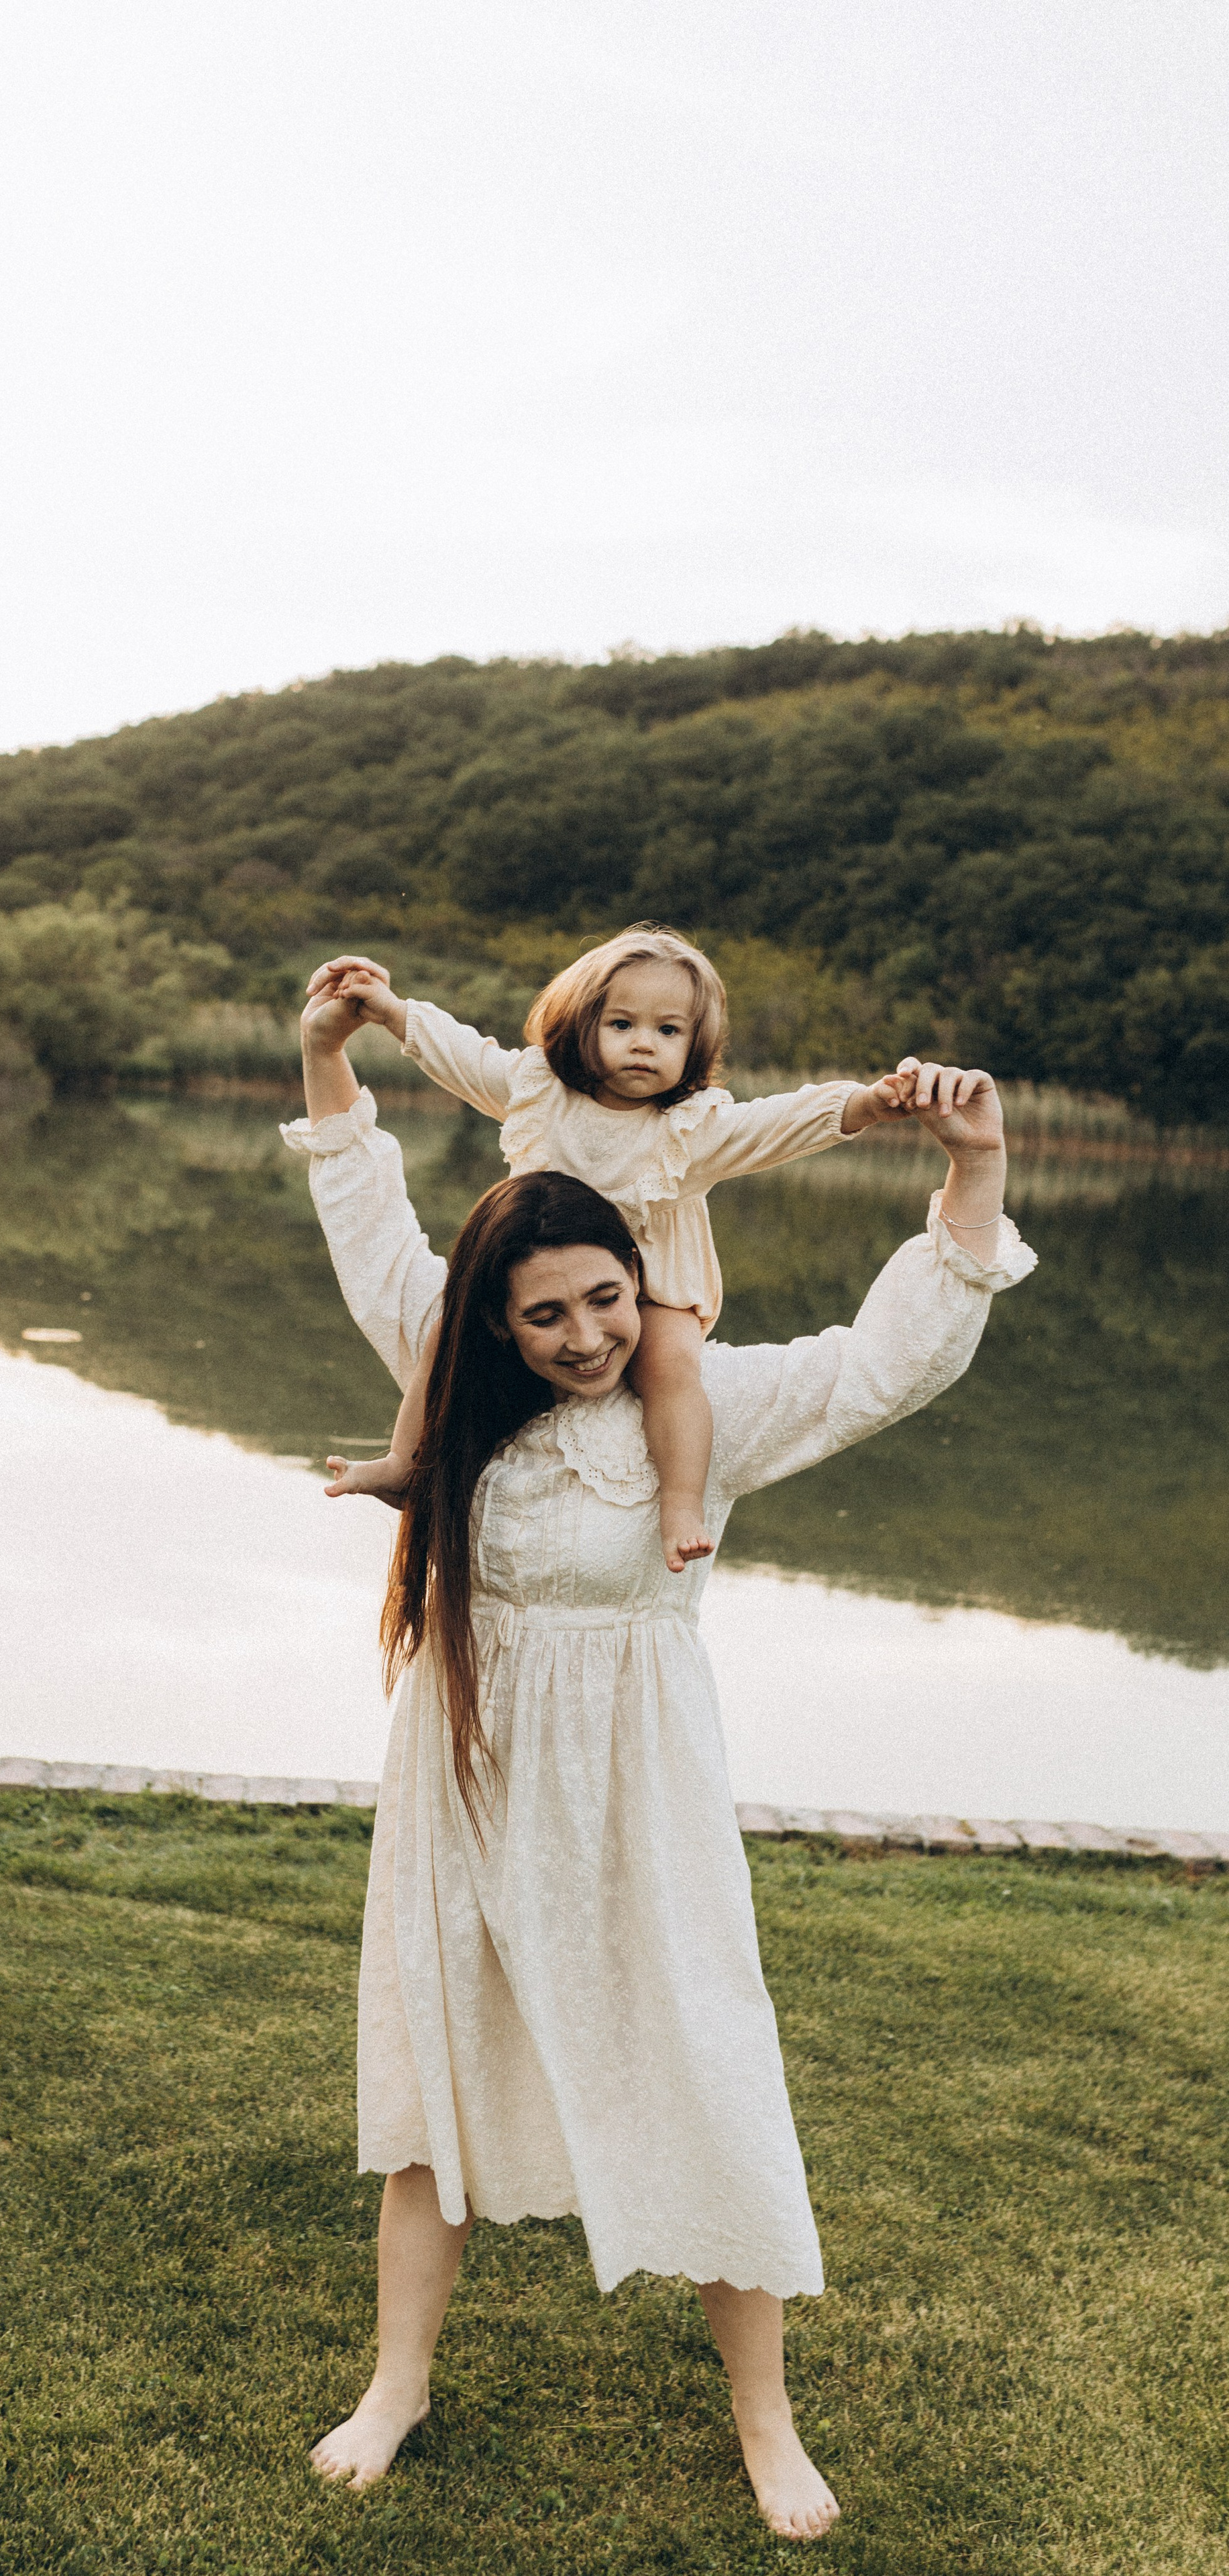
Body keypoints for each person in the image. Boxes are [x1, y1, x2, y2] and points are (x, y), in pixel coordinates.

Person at [282, 973, 1034, 2541]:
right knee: (436, 2077)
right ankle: (393, 2384)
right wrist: (320, 1059)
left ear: (644, 1279)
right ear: (493, 1318)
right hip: (469, 1777)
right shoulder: (445, 1377)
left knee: (700, 2060)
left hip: (642, 1789)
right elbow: (364, 1221)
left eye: (606, 1299)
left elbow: (883, 1361)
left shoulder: (706, 1405)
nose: (583, 1336)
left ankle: (764, 2417)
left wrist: (969, 1171)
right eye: (542, 1312)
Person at [303, 929, 920, 1573]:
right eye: (622, 1024)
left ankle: (681, 1505)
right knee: (445, 1338)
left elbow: (778, 1123)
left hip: (654, 1291)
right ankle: (407, 1464)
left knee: (673, 1373)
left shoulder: (692, 1130)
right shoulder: (538, 1091)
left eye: (669, 1031)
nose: (644, 1044)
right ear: (583, 1024)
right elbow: (464, 1055)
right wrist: (389, 1010)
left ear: (696, 1044)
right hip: (538, 1276)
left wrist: (867, 1104)